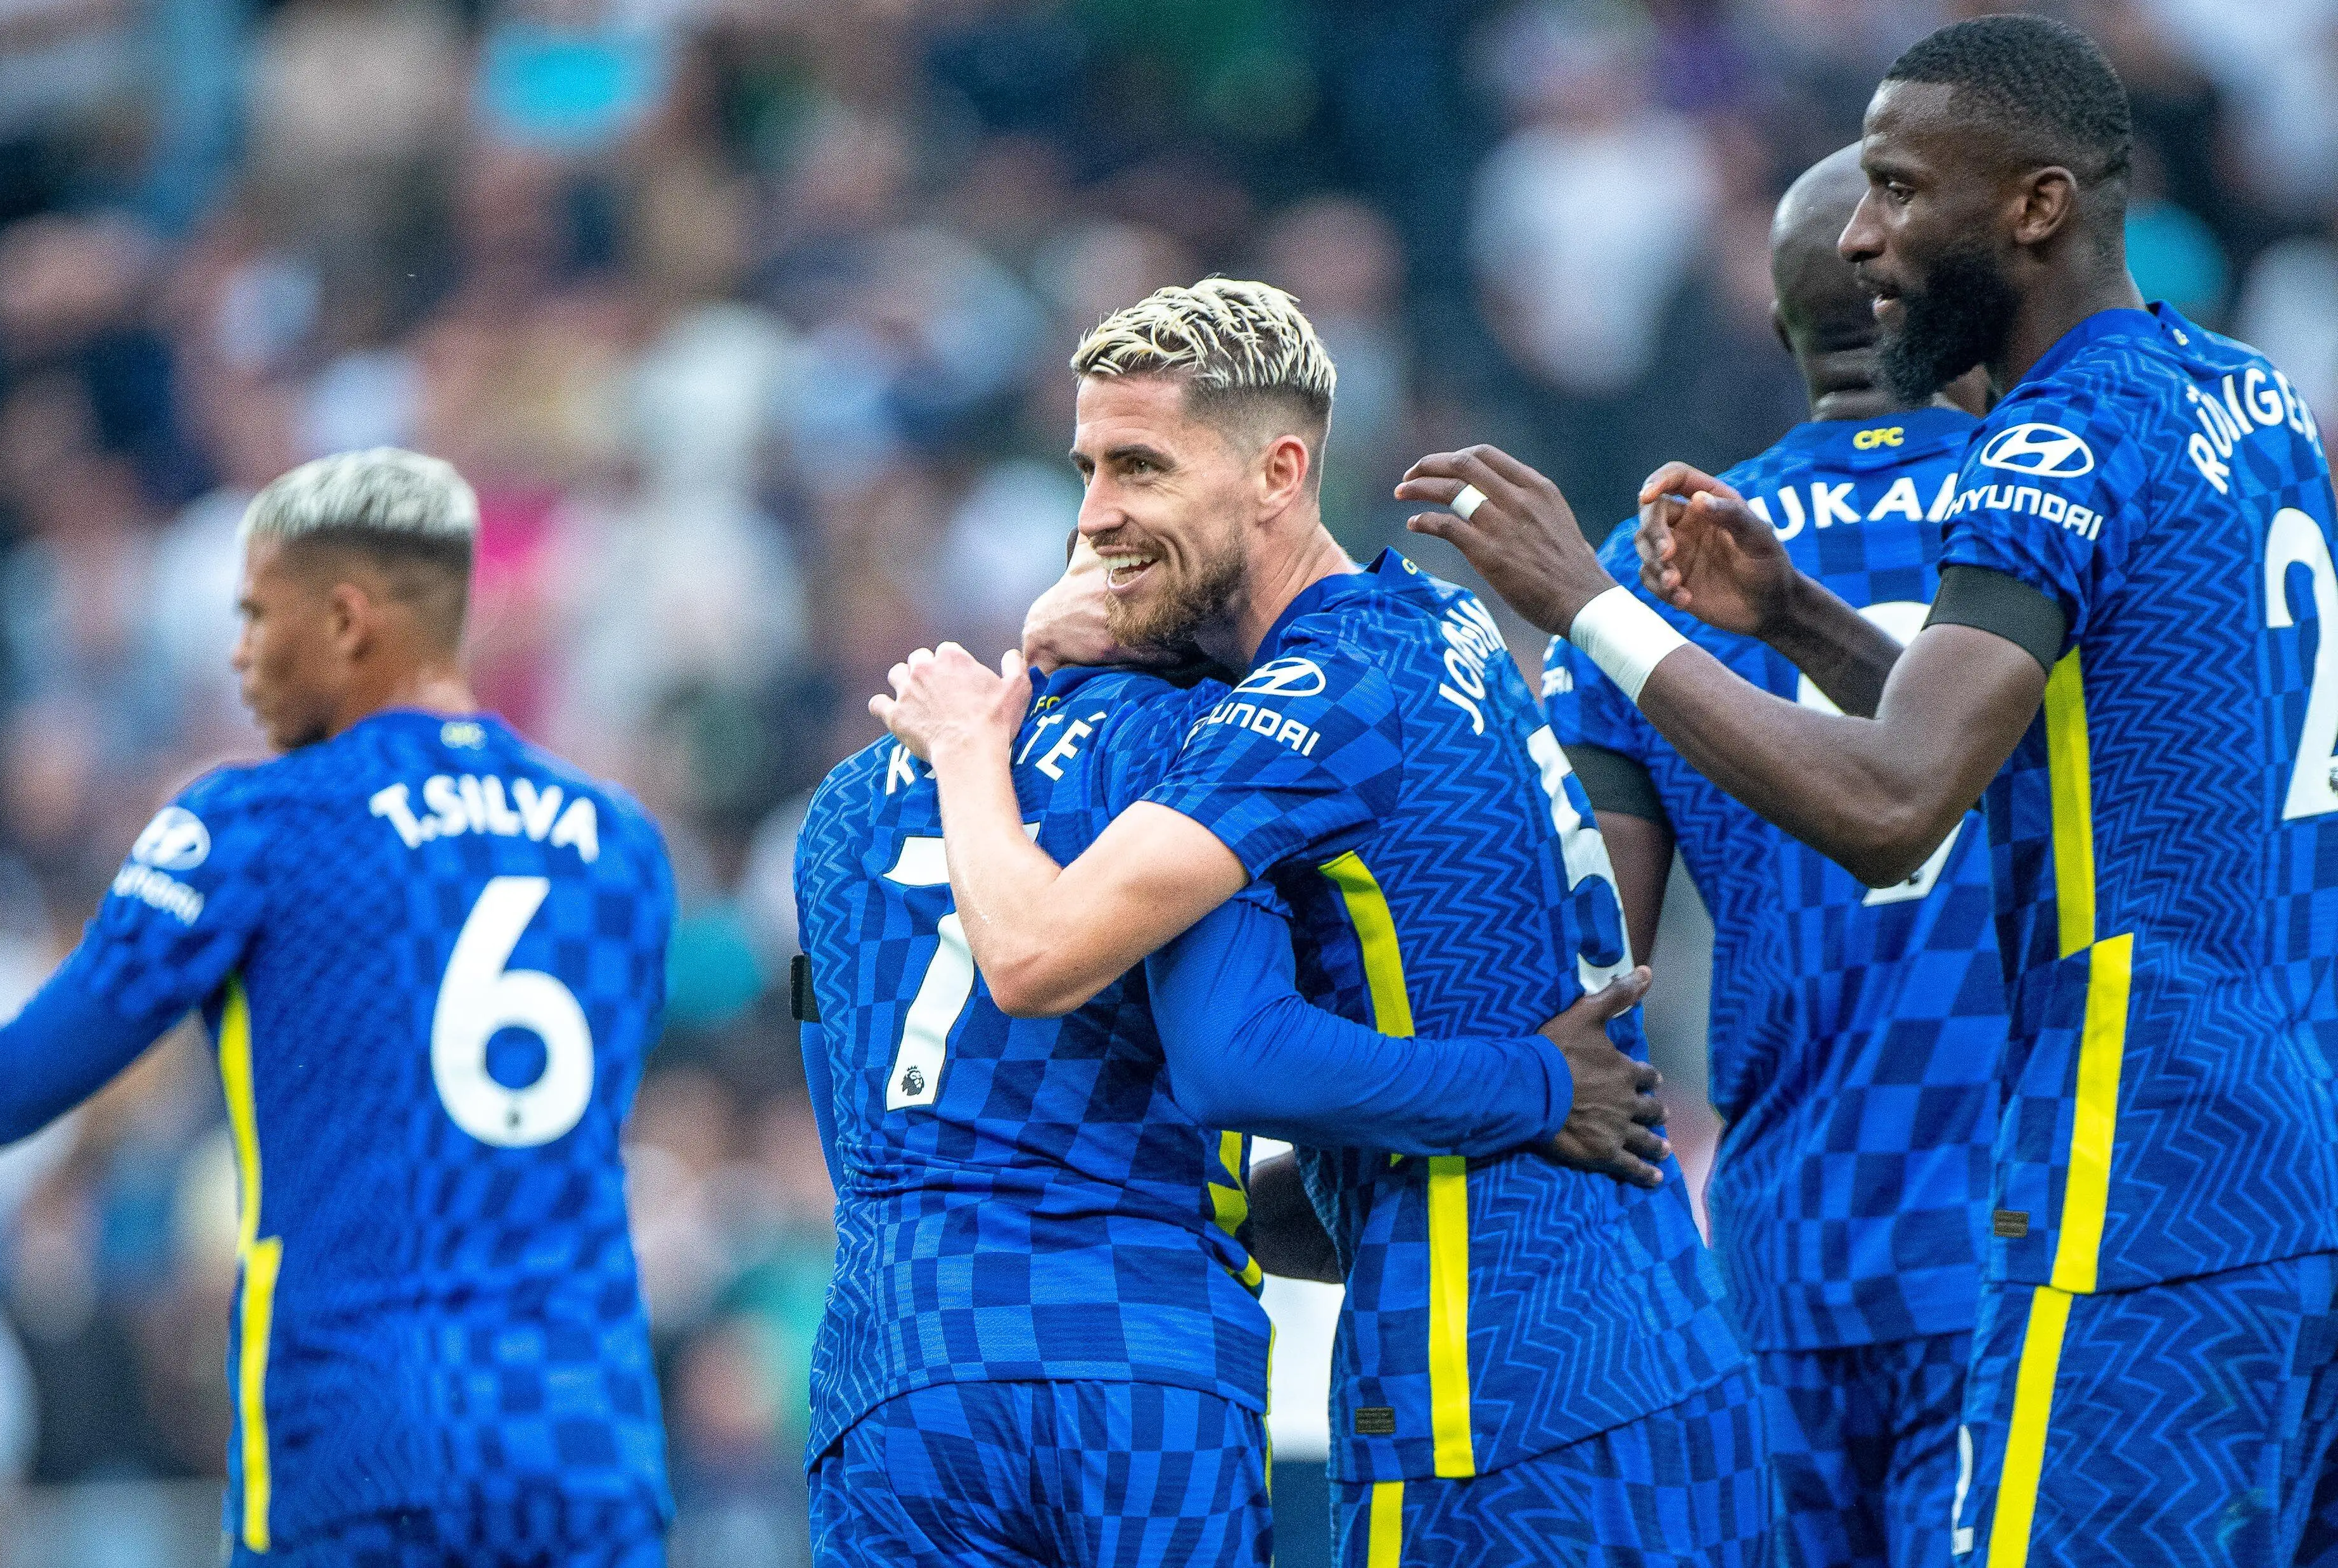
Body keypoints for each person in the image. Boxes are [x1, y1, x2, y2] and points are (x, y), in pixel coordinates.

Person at [1400, 16, 2338, 1567]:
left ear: (2033, 207)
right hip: (2288, 1161)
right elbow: (2072, 739)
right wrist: (1795, 624)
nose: (1860, 231)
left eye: (1896, 189)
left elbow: (1898, 801)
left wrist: (1588, 606)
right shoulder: (2248, 399)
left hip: (2130, 1183)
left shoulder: (2051, 444)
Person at [872, 279, 1761, 1567]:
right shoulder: (1435, 622)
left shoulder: (1308, 702)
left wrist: (968, 743)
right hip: (1655, 1349)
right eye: (1086, 468)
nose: (1093, 515)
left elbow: (1046, 961)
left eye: (1139, 466)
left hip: (1486, 1405)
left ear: (1277, 473)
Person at [795, 542, 1671, 1568]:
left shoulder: (837, 809)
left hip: (898, 1362)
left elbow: (842, 1119)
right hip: (1142, 1359)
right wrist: (1532, 1083)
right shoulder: (1199, 753)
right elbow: (1242, 1050)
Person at [0, 450, 675, 1565]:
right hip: (585, 1437)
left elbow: (11, 1087)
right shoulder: (623, 845)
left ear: (349, 623)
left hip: (363, 1440)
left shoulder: (255, 826)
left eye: (258, 615)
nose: (238, 652)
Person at [1545, 143, 2005, 1568]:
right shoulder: (2046, 513)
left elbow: (1591, 969)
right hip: (2027, 1230)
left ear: (1777, 328)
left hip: (1782, 1242)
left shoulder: (1657, 562)